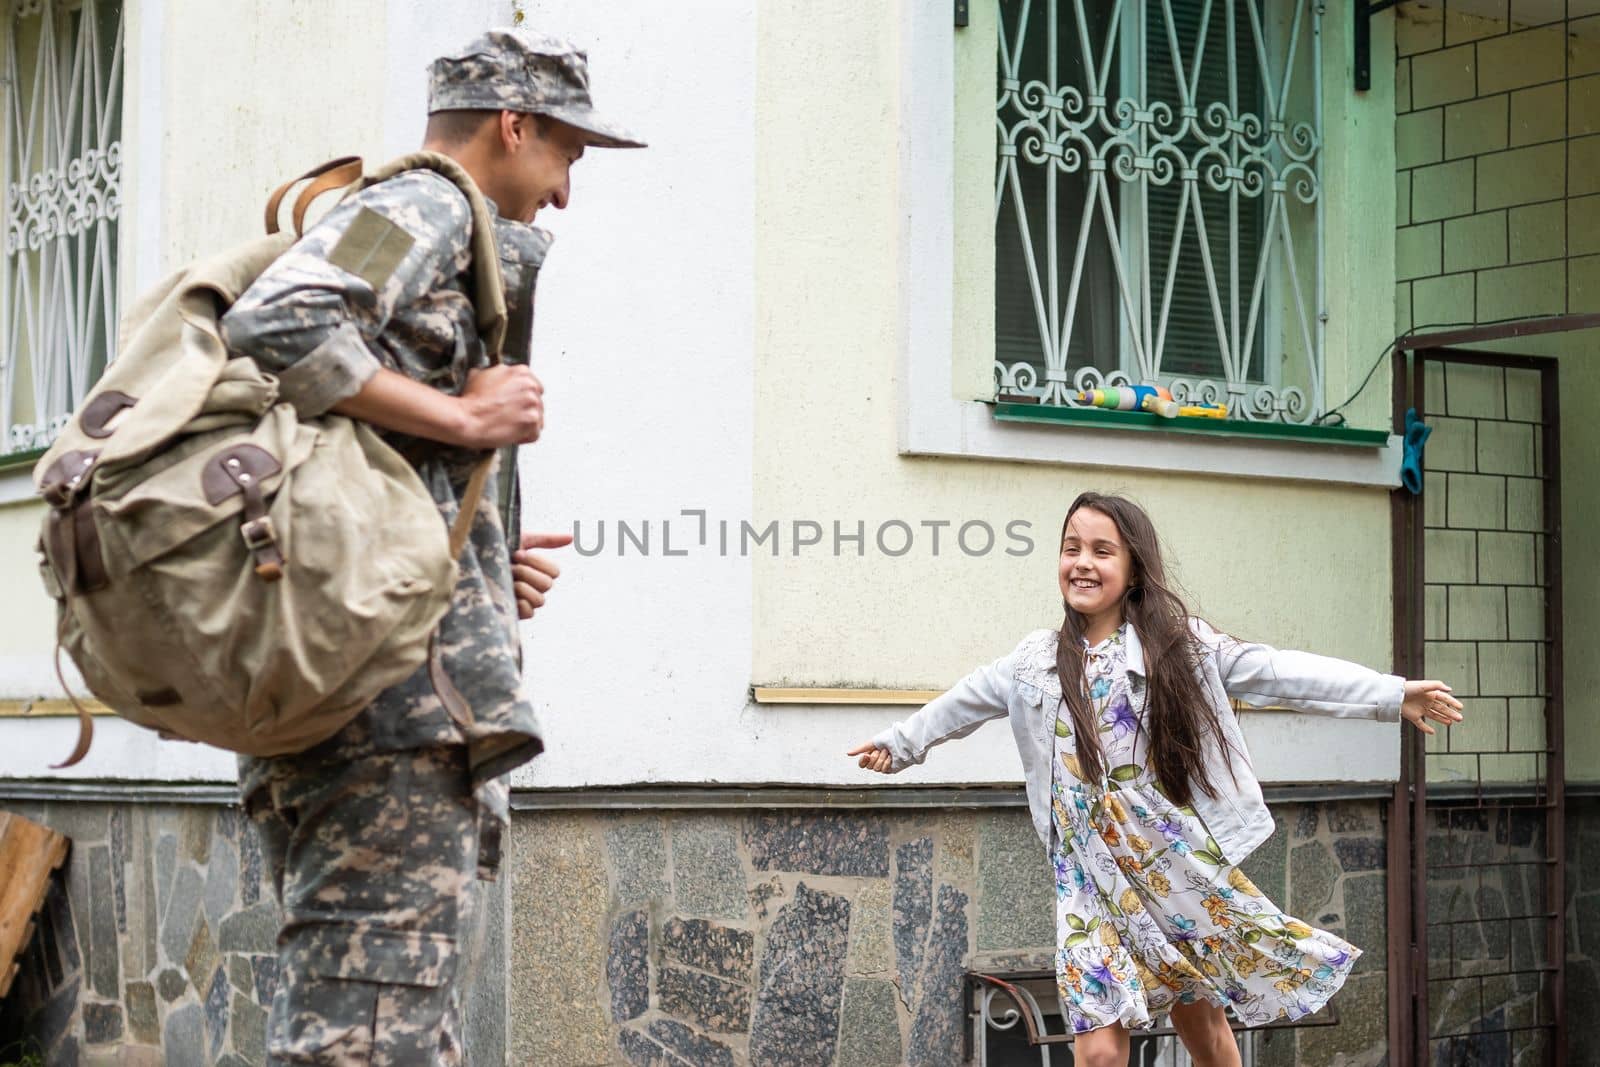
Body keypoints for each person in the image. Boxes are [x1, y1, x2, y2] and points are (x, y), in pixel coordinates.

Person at [219, 29, 642, 1064]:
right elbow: (277, 318)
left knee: (385, 1024)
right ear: (515, 121)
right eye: (567, 154)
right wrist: (464, 423)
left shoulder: (433, 225)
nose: (566, 193)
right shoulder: (423, 204)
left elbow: (367, 439)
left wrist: (486, 560)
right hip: (388, 720)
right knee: (365, 1037)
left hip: (379, 693)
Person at [847, 492, 1462, 1067]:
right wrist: (897, 745)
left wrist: (1392, 694)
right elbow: (962, 703)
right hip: (1088, 880)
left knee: (1206, 1033)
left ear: (1134, 570)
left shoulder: (1174, 647)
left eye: (1101, 551)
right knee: (1099, 1053)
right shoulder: (1033, 661)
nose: (1082, 564)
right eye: (1071, 548)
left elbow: (1276, 672)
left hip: (1171, 867)